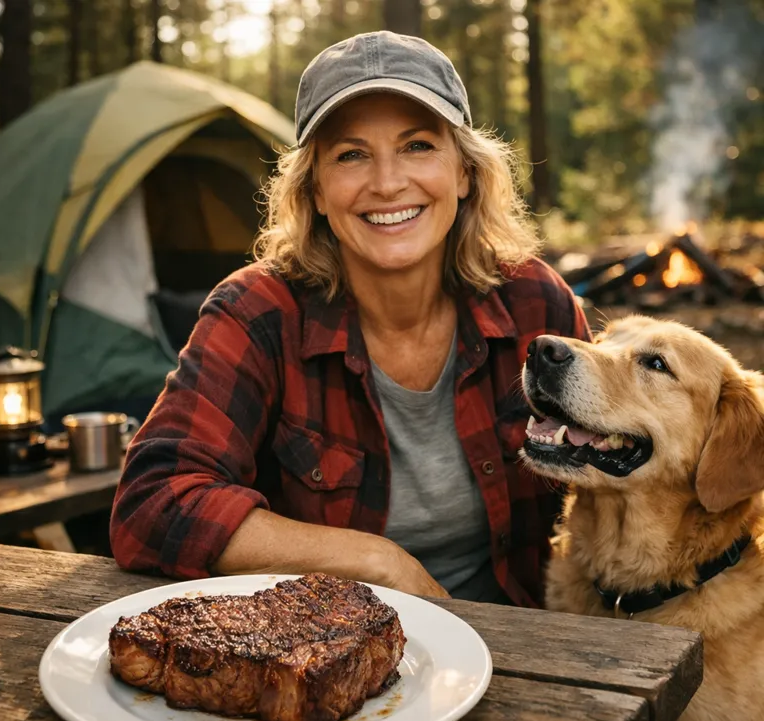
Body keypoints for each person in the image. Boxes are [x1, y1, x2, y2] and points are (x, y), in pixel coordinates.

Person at [110, 31, 591, 607]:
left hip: (530, 645)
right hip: (321, 657)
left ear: (463, 173)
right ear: (314, 189)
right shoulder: (258, 313)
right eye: (351, 154)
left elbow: (616, 470)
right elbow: (151, 504)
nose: (387, 183)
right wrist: (375, 561)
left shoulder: (533, 301)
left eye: (417, 146)